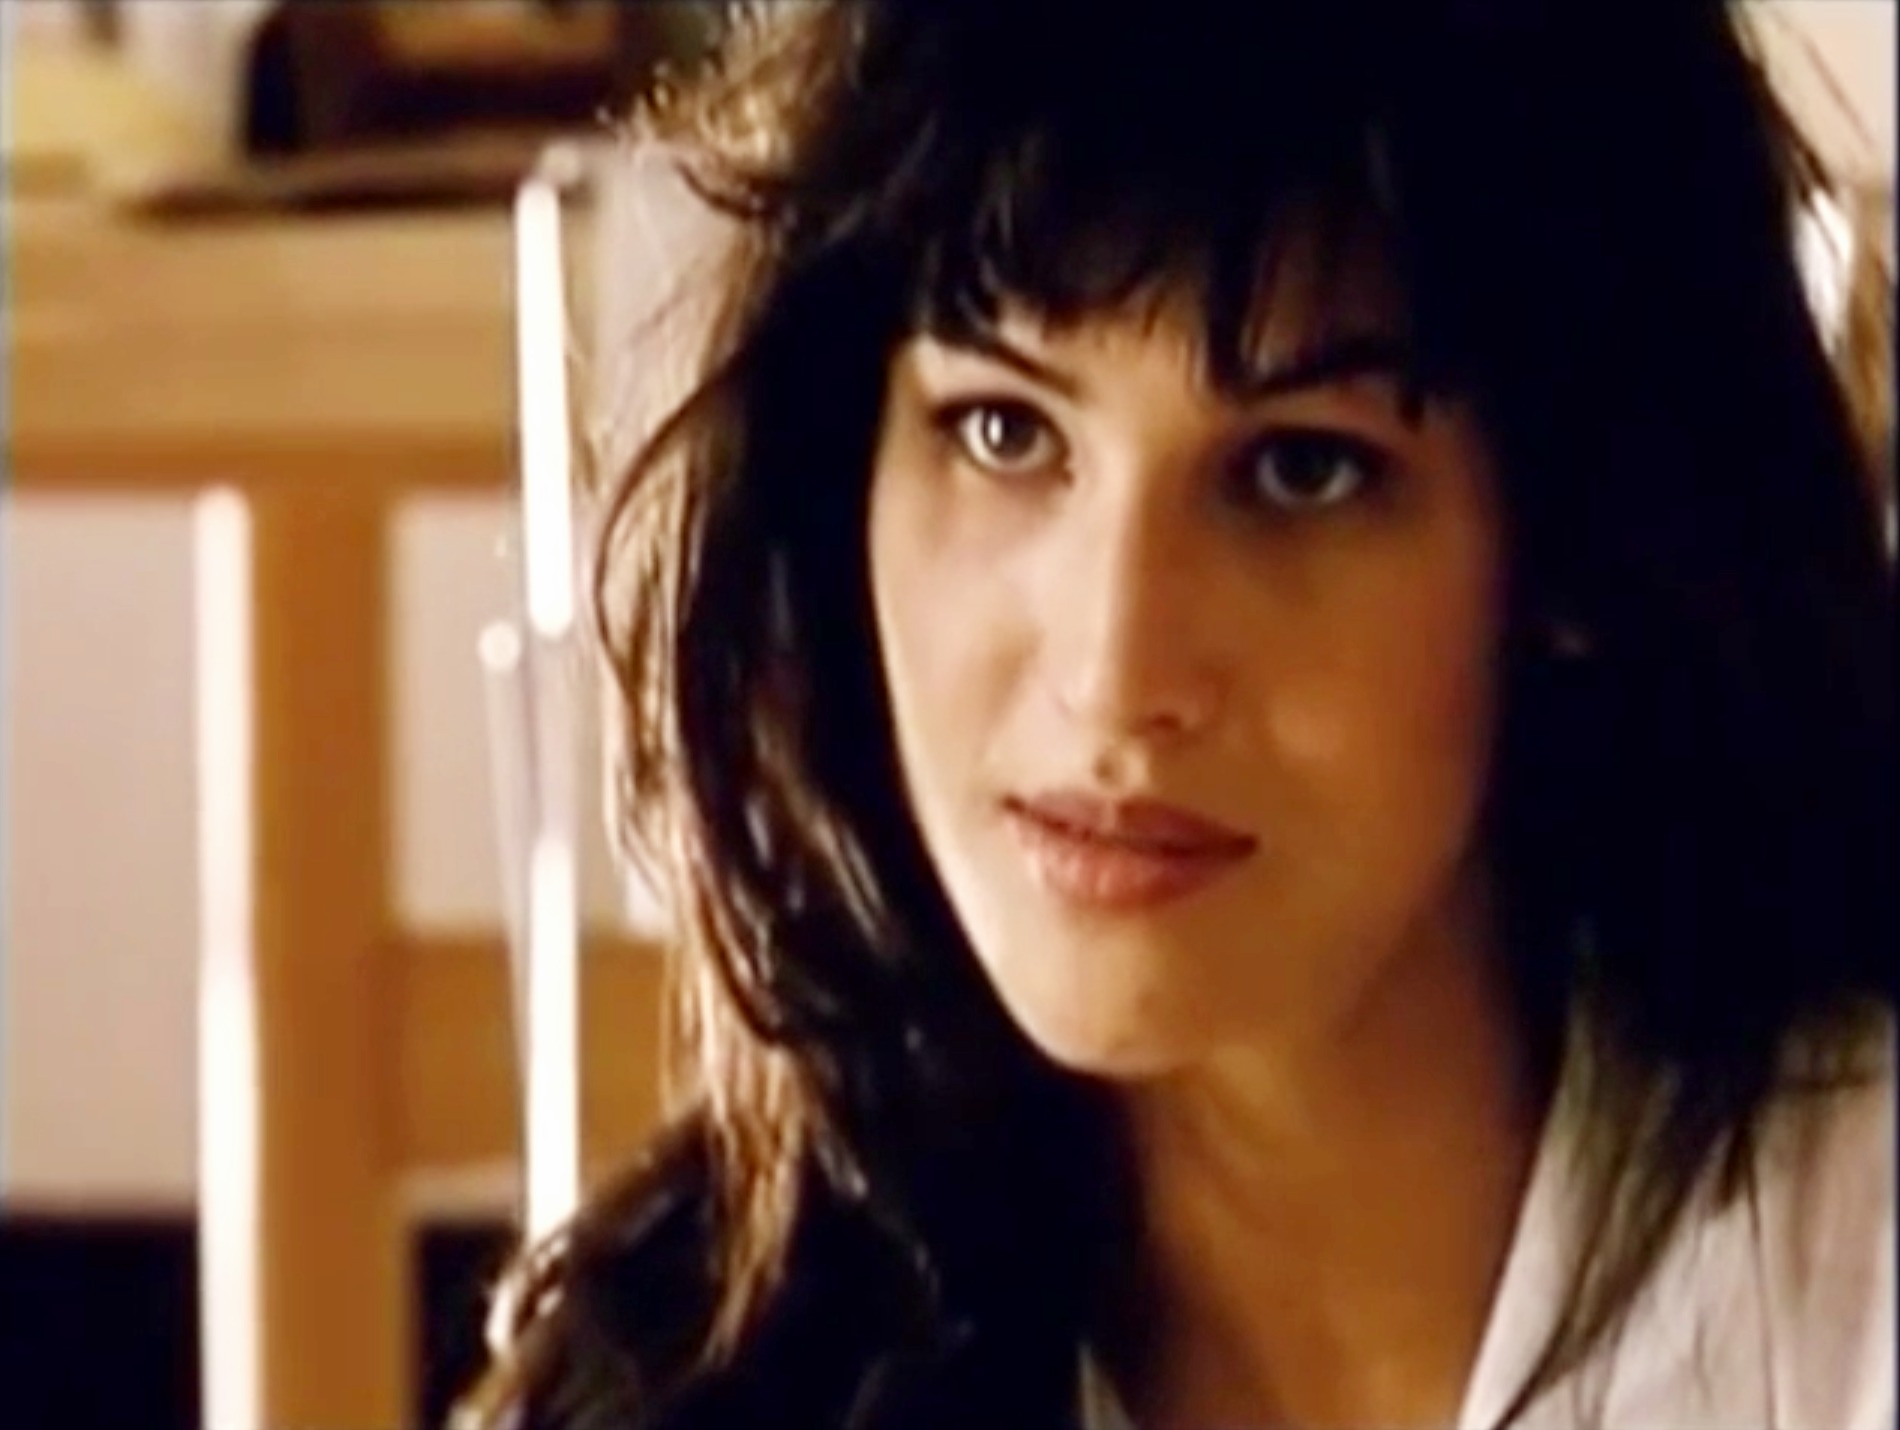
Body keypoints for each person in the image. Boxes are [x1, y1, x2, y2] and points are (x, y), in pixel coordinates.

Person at [457, 3, 1896, 1427]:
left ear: (1582, 543)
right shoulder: (692, 1387)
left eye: (1300, 471)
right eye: (1005, 430)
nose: (1114, 670)